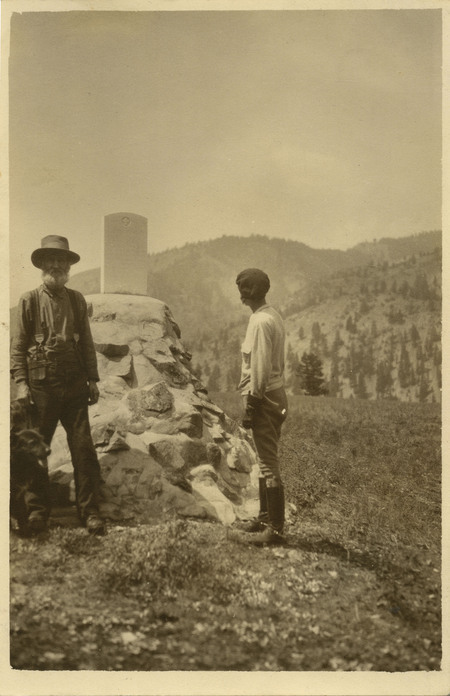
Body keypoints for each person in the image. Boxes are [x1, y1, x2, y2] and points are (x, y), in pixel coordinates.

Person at [10, 235, 106, 536]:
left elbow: (87, 343)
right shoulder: (29, 300)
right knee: (37, 451)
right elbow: (17, 348)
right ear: (42, 265)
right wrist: (22, 384)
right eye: (50, 260)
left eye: (61, 260)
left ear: (68, 266)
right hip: (41, 386)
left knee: (83, 449)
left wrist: (92, 379)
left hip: (75, 384)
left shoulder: (77, 300)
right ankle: (37, 512)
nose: (56, 265)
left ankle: (90, 512)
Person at [234, 268, 288, 546]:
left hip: (264, 397)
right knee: (264, 459)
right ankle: (265, 517)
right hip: (275, 395)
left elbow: (260, 369)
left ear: (246, 294)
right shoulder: (272, 315)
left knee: (268, 463)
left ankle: (275, 530)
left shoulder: (260, 322)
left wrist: (252, 405)